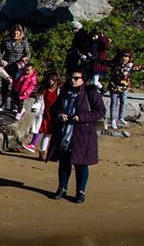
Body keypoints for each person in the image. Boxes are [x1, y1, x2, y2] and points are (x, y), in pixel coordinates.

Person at [46, 69, 105, 203]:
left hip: (83, 133)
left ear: (83, 80)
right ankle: (62, 189)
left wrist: (81, 117)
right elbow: (54, 108)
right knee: (64, 162)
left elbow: (100, 112)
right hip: (65, 132)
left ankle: (80, 192)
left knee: (81, 163)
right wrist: (60, 114)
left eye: (76, 78)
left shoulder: (91, 93)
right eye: (71, 78)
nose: (73, 80)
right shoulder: (65, 92)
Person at [23, 71, 60, 155]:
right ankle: (33, 145)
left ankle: (43, 151)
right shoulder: (44, 89)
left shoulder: (59, 90)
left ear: (56, 80)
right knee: (40, 129)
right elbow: (38, 101)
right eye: (49, 79)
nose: (51, 81)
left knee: (48, 132)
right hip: (43, 112)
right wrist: (34, 108)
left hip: (54, 113)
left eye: (53, 80)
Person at [0, 24, 30, 111]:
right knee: (5, 86)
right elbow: (0, 51)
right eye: (14, 33)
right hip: (7, 66)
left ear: (20, 33)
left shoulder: (24, 41)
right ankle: (3, 103)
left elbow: (28, 53)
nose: (15, 35)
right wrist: (1, 60)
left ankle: (14, 105)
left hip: (18, 67)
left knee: (16, 87)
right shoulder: (6, 40)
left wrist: (25, 58)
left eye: (17, 33)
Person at [107, 50, 140, 129]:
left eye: (126, 57)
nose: (124, 58)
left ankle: (121, 118)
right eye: (123, 57)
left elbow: (138, 68)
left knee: (123, 102)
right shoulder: (115, 64)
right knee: (114, 103)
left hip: (124, 86)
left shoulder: (130, 65)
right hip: (114, 86)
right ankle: (113, 120)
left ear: (129, 58)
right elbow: (106, 63)